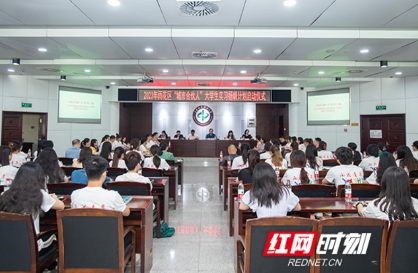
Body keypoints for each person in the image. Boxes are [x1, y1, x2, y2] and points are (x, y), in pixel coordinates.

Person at [0, 162, 65, 251]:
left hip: (7, 245)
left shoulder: (5, 194)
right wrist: (54, 198)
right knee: (54, 237)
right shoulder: (40, 194)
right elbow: (61, 206)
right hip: (32, 248)